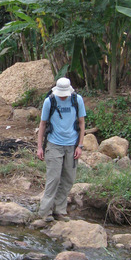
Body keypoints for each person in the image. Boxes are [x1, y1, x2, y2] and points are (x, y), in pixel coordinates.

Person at [36, 77, 86, 221]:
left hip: (72, 145)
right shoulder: (49, 101)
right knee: (54, 178)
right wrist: (40, 147)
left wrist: (80, 145)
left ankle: (59, 210)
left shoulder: (77, 100)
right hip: (53, 145)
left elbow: (82, 123)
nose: (63, 96)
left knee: (69, 179)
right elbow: (43, 124)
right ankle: (44, 213)